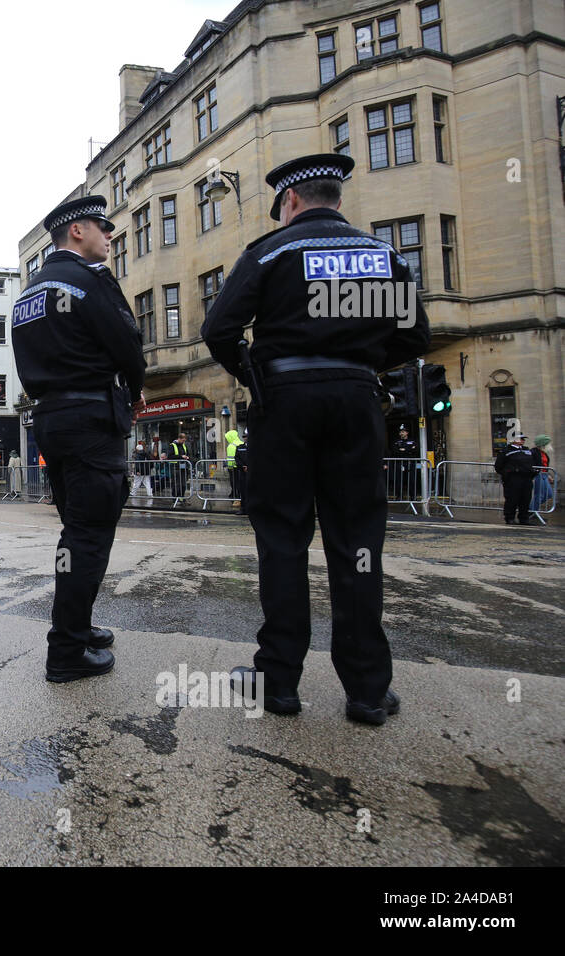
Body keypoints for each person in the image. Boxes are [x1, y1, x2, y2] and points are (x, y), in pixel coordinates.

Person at [201, 152, 431, 725]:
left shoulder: (271, 252)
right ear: (337, 198)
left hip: (285, 403)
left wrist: (253, 371)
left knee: (282, 539)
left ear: (292, 201)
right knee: (357, 543)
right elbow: (415, 336)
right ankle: (367, 690)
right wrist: (361, 363)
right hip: (356, 402)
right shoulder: (382, 256)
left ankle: (278, 683)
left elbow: (218, 328)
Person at [11, 194, 146, 683]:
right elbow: (129, 344)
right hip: (91, 415)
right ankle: (66, 649)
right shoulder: (88, 282)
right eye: (101, 227)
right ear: (76, 232)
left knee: (76, 529)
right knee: (88, 535)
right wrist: (133, 388)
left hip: (51, 417)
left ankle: (79, 626)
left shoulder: (28, 292)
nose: (110, 234)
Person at [495, 434, 537, 525]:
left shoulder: (527, 450)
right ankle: (510, 518)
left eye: (523, 439)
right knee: (512, 499)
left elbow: (534, 462)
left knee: (525, 499)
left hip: (526, 478)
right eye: (520, 439)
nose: (522, 441)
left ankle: (524, 518)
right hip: (513, 479)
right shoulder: (506, 451)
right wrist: (507, 474)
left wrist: (532, 473)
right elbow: (498, 466)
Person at [390, 424, 419, 501]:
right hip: (399, 463)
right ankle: (399, 496)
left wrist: (403, 450)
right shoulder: (396, 441)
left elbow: (415, 450)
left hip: (410, 463)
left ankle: (413, 496)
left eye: (403, 432)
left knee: (411, 480)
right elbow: (395, 451)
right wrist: (408, 450)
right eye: (400, 432)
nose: (401, 433)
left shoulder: (412, 441)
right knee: (398, 480)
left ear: (407, 432)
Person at [530, 435, 554, 513]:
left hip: (544, 475)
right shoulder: (533, 452)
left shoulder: (544, 453)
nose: (550, 445)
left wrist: (548, 475)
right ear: (543, 444)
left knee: (549, 494)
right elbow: (533, 465)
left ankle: (531, 509)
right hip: (538, 475)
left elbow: (545, 465)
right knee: (539, 495)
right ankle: (532, 511)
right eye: (548, 443)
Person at [233, 429, 250, 515]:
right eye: (243, 436)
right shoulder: (239, 447)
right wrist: (243, 466)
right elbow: (237, 458)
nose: (245, 438)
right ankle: (243, 509)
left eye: (246, 436)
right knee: (243, 491)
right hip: (242, 472)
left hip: (252, 473)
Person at [224, 428, 242, 499]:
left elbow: (230, 458)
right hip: (241, 467)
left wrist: (230, 467)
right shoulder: (241, 443)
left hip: (233, 468)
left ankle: (235, 496)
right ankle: (238, 495)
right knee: (240, 482)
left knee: (234, 482)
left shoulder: (231, 446)